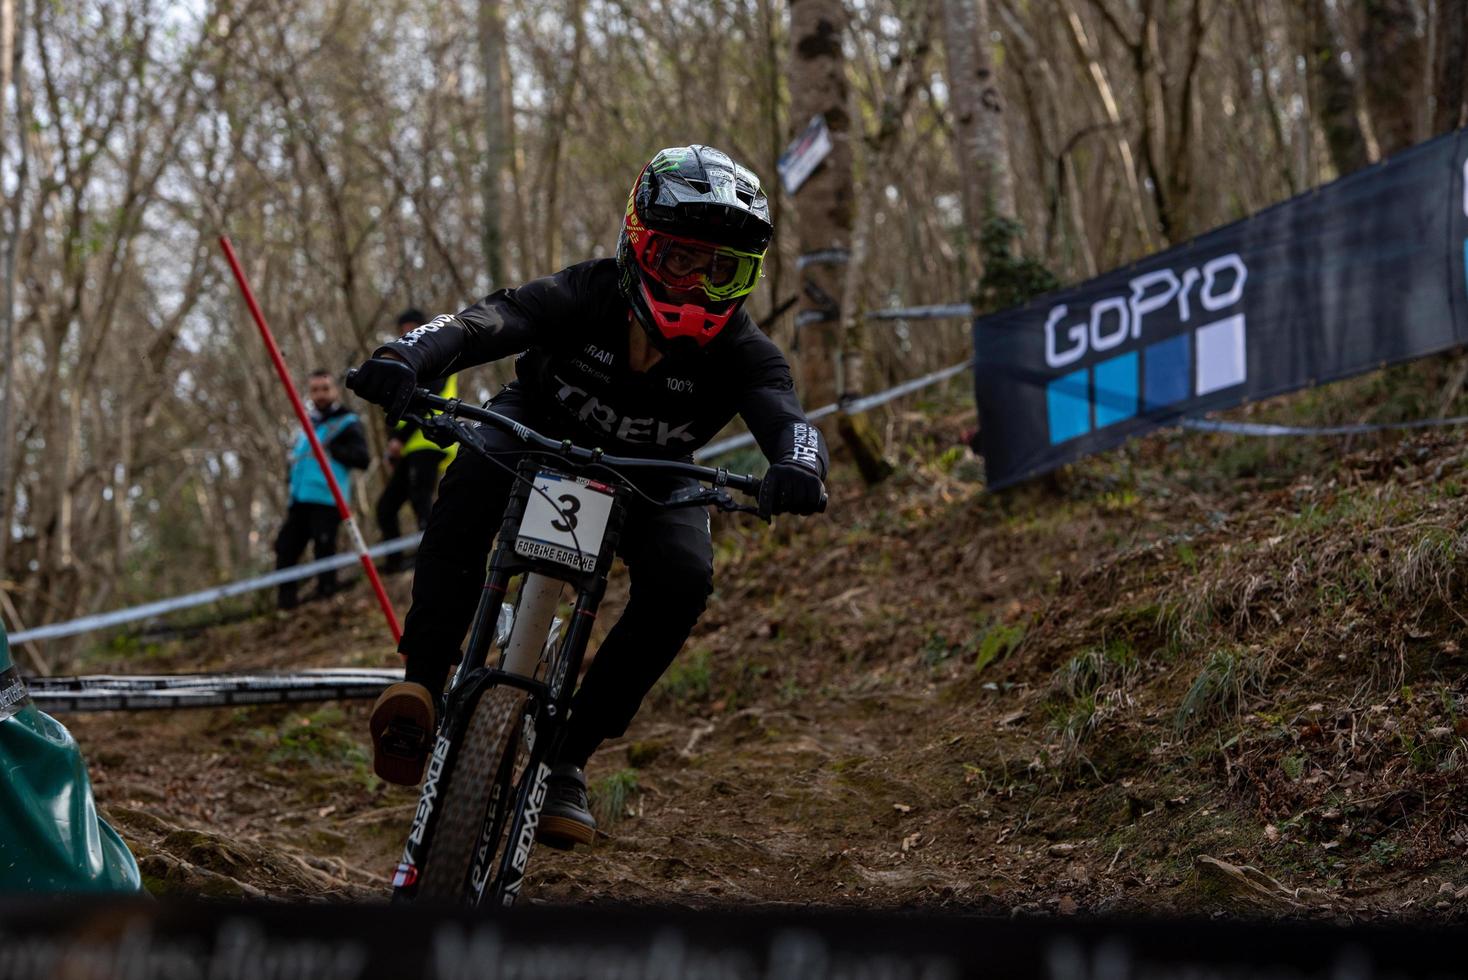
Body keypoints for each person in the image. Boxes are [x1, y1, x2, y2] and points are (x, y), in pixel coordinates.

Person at [349, 144, 828, 848]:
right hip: (534, 426)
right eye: (680, 260)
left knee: (684, 579)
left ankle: (567, 756)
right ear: (639, 246)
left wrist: (800, 466)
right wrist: (406, 355)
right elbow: (482, 323)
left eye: (722, 270)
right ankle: (421, 680)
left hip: (656, 470)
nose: (698, 286)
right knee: (471, 479)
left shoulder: (745, 352)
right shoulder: (583, 293)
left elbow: (789, 420)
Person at [274, 370, 370, 610]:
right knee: (285, 547)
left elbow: (362, 458)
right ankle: (287, 605)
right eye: (315, 390)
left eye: (325, 388)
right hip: (299, 499)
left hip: (328, 498)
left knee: (323, 547)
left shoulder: (347, 422)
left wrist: (333, 450)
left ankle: (327, 598)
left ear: (335, 390)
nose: (320, 394)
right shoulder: (306, 425)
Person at [375, 309, 458, 572]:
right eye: (403, 330)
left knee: (420, 500)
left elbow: (423, 404)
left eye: (412, 329)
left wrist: (398, 440)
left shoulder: (438, 359)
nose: (406, 335)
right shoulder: (406, 364)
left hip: (430, 441)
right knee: (386, 507)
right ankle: (395, 561)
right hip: (409, 447)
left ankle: (430, 557)